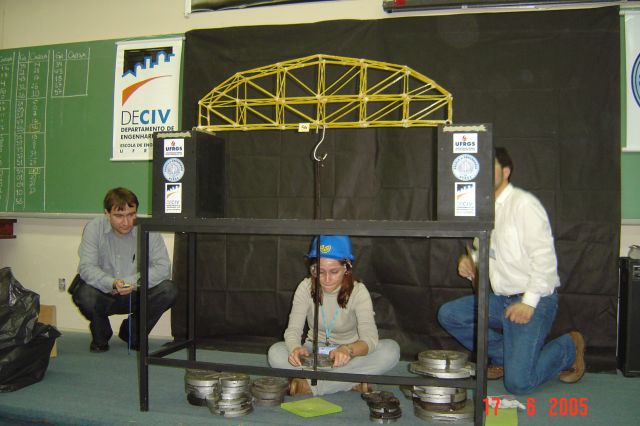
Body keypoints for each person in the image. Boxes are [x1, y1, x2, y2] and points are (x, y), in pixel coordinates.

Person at [438, 148, 585, 394]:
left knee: (518, 384)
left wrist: (528, 303)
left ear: (505, 172)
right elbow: (484, 250)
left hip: (534, 299)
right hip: (502, 300)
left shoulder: (524, 204)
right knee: (450, 314)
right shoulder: (484, 208)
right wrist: (469, 260)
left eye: (491, 168)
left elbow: (545, 259)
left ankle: (569, 347)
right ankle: (506, 357)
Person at [268, 235, 400, 396]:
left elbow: (370, 339)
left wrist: (348, 350)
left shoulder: (359, 292)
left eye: (334, 272)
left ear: (347, 268)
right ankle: (351, 380)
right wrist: (295, 348)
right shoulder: (305, 287)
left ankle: (311, 386)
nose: (326, 279)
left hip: (349, 355)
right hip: (312, 354)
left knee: (391, 351)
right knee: (275, 353)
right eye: (319, 271)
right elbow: (293, 331)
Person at [70, 187, 178, 353]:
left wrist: (131, 283)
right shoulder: (94, 228)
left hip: (135, 293)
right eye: (119, 216)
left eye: (131, 214)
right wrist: (112, 283)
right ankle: (102, 334)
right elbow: (87, 267)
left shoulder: (148, 229)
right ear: (107, 214)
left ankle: (132, 333)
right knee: (84, 293)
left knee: (168, 290)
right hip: (104, 292)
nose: (126, 222)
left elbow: (163, 268)